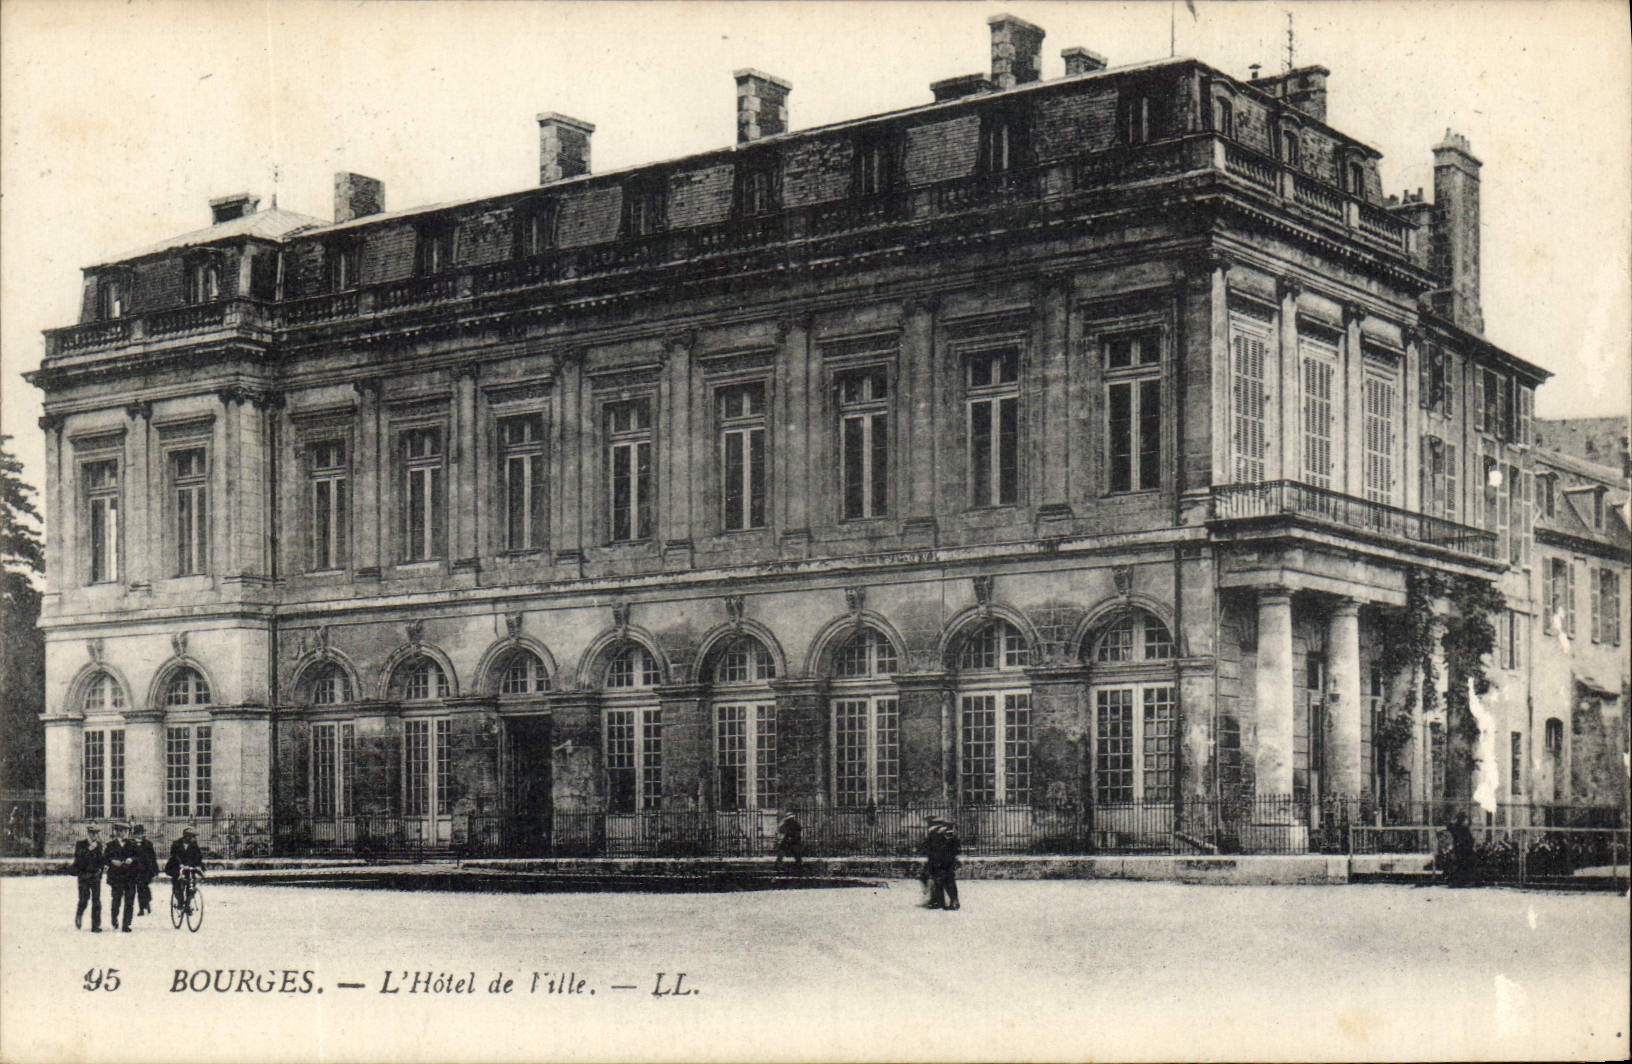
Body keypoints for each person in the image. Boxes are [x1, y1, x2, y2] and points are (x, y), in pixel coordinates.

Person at [920, 815, 961, 911]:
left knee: (938, 880)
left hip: (937, 860)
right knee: (949, 880)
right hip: (949, 860)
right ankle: (953, 901)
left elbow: (927, 847)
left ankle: (938, 901)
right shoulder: (950, 832)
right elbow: (956, 846)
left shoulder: (933, 832)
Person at [70, 823, 105, 932]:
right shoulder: (80, 844)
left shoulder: (99, 845)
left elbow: (101, 860)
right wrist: (89, 849)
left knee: (96, 901)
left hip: (95, 876)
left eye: (96, 834)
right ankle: (79, 914)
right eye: (93, 833)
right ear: (88, 833)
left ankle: (95, 926)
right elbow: (79, 858)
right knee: (84, 899)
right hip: (83, 876)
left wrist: (102, 870)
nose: (95, 836)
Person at [104, 822, 138, 932]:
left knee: (129, 901)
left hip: (130, 877)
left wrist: (132, 859)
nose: (123, 834)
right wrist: (112, 861)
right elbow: (105, 858)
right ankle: (114, 919)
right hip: (116, 877)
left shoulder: (133, 845)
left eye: (126, 831)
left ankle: (126, 924)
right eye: (121, 831)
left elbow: (139, 857)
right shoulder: (110, 845)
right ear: (117, 832)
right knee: (116, 900)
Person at [165, 826, 205, 909]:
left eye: (194, 837)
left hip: (189, 868)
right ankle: (180, 902)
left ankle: (188, 904)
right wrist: (180, 864)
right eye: (192, 836)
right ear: (186, 836)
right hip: (177, 867)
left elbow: (198, 856)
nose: (193, 838)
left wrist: (198, 866)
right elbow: (174, 856)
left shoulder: (194, 845)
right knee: (177, 885)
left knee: (191, 885)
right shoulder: (176, 844)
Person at [131, 824, 158, 916]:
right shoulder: (131, 844)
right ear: (134, 834)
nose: (139, 835)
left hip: (146, 870)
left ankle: (145, 904)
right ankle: (143, 907)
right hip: (135, 871)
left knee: (144, 888)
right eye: (137, 833)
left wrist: (155, 870)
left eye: (141, 833)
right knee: (139, 889)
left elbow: (152, 857)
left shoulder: (148, 844)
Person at [1446, 812, 1477, 887]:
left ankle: (1458, 882)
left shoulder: (1459, 828)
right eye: (1465, 820)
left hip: (1461, 849)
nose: (1466, 822)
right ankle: (1462, 881)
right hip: (1463, 850)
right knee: (1463, 865)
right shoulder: (1462, 829)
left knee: (1461, 866)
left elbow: (1449, 827)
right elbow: (1469, 840)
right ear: (1462, 821)